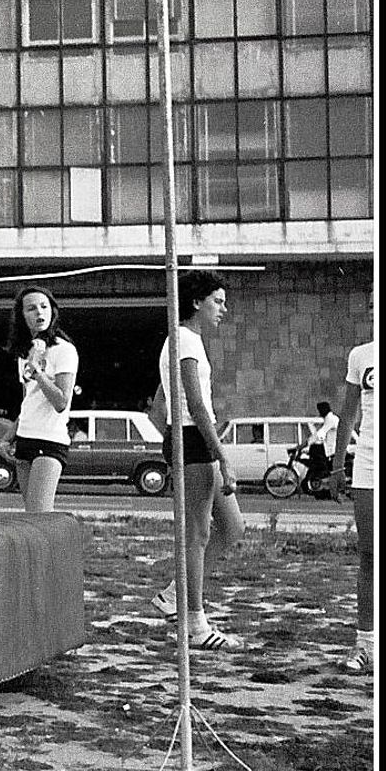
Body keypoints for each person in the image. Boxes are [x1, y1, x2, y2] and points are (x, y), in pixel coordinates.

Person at [149, 269, 246, 650]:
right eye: (217, 301)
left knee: (232, 527)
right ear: (195, 302)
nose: (223, 308)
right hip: (192, 439)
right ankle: (196, 624)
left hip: (187, 439)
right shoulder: (184, 341)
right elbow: (195, 405)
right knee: (198, 533)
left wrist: (171, 438)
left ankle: (176, 593)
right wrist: (222, 456)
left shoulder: (185, 341)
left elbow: (158, 406)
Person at [0, 286, 79, 512]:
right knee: (30, 516)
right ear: (22, 315)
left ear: (53, 311)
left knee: (40, 513)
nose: (39, 313)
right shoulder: (25, 353)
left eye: (44, 307)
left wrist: (39, 374)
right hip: (25, 437)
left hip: (50, 439)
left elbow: (61, 402)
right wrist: (9, 436)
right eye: (31, 308)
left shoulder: (64, 350)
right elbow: (29, 403)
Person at [326, 338, 374, 672]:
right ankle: (366, 644)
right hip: (370, 463)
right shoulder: (361, 354)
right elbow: (348, 412)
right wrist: (338, 465)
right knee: (371, 555)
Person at [303, 400, 340, 496]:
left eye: (319, 410)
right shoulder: (331, 418)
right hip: (330, 448)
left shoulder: (330, 420)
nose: (319, 413)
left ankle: (327, 488)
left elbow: (321, 433)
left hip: (332, 450)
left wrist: (306, 443)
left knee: (322, 467)